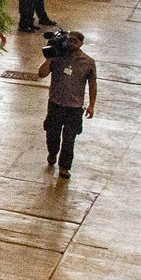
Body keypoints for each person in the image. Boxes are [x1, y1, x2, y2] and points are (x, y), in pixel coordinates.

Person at [37, 31, 97, 178]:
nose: (71, 43)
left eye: (75, 41)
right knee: (52, 133)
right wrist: (49, 59)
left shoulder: (88, 62)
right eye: (69, 40)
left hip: (74, 108)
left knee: (69, 139)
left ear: (81, 43)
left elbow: (92, 84)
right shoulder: (57, 56)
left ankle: (64, 167)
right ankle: (52, 152)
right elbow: (41, 74)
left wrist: (91, 105)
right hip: (56, 104)